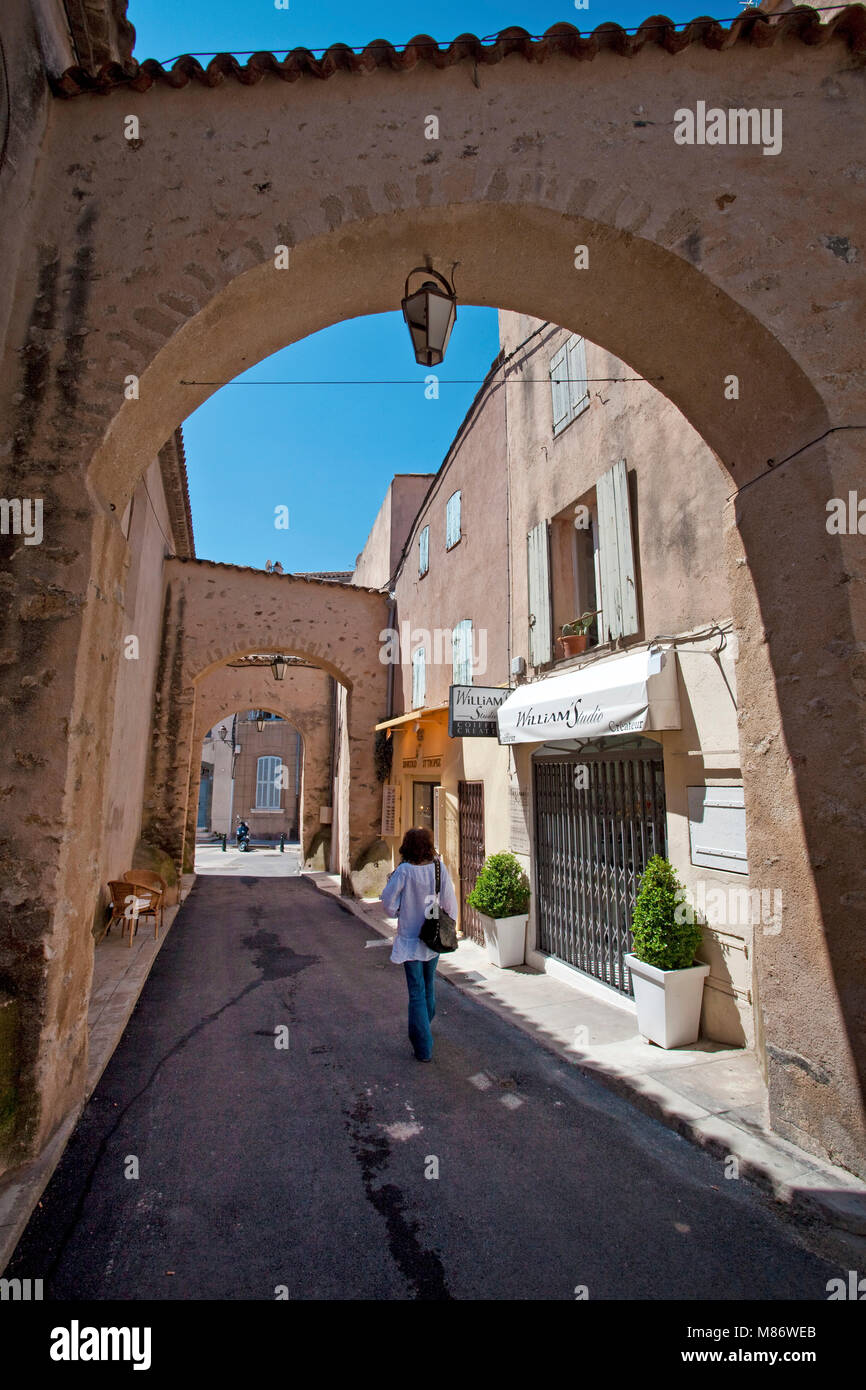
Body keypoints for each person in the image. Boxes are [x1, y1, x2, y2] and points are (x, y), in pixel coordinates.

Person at [381, 826, 459, 1063]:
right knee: (428, 986)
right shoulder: (438, 868)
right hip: (431, 936)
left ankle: (423, 1046)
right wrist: (449, 925)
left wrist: (398, 911)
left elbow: (387, 902)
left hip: (410, 937)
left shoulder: (404, 871)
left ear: (407, 846)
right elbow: (449, 901)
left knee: (416, 992)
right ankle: (424, 1027)